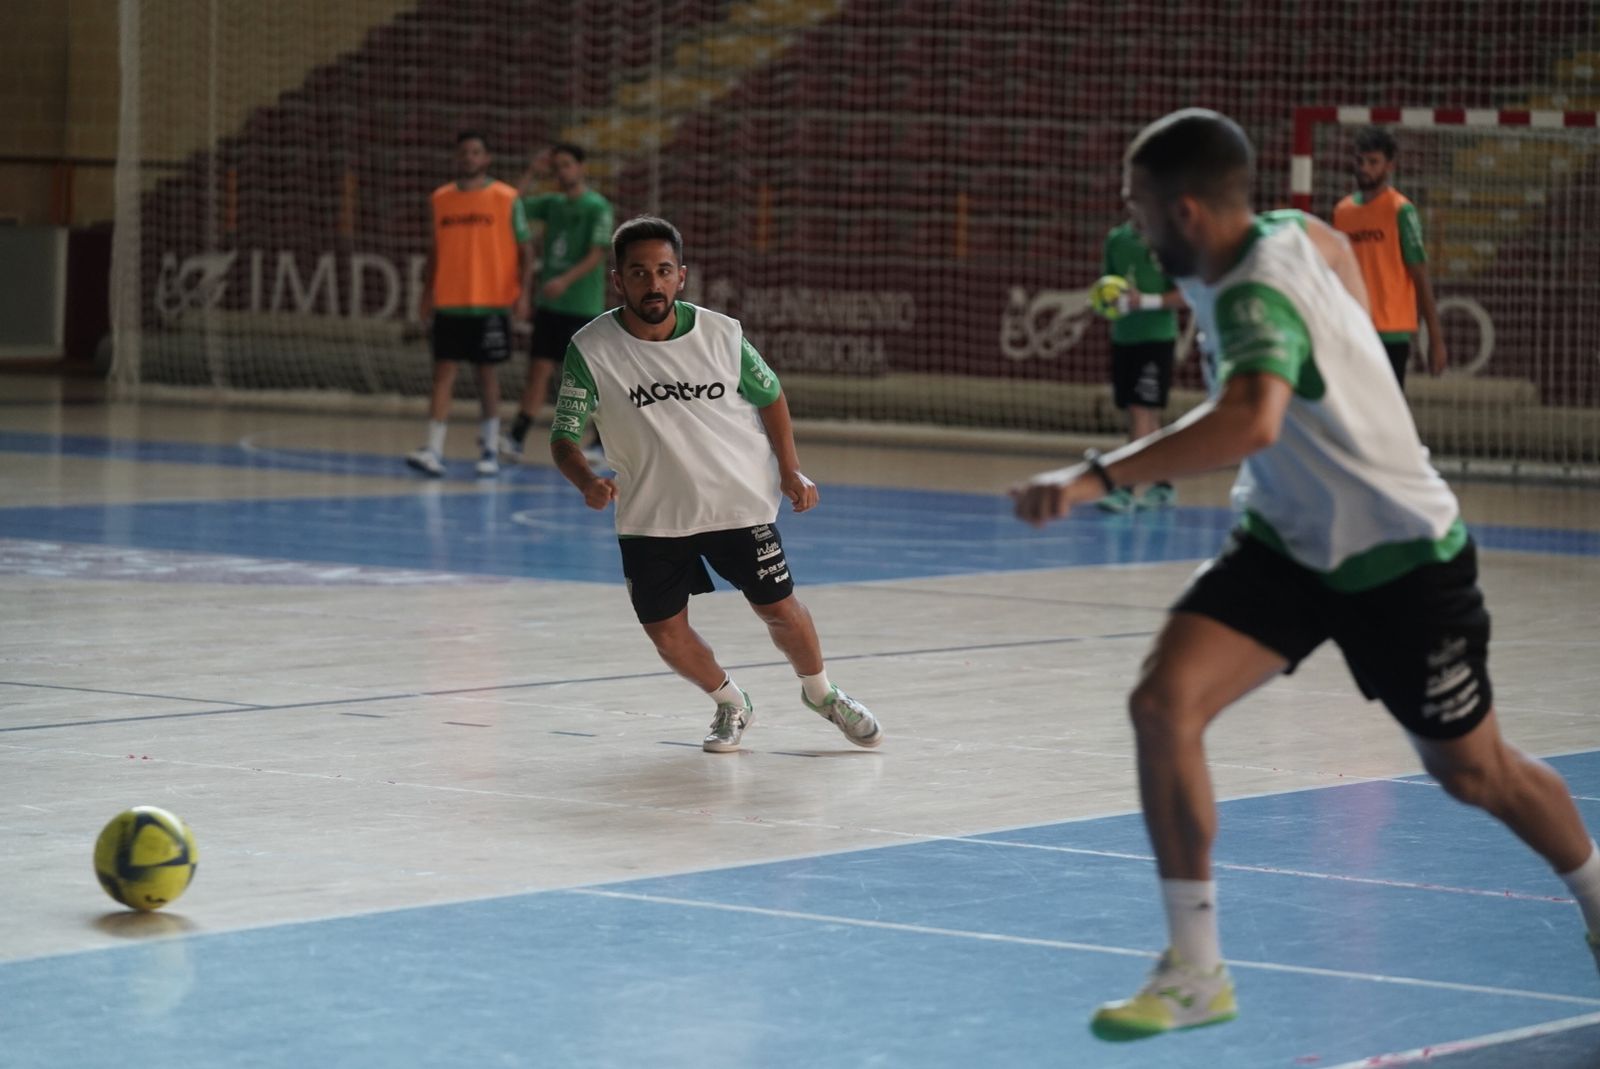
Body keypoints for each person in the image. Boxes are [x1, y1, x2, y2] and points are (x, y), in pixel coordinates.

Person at [1012, 109, 1600, 1042]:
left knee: (1474, 772)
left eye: (1141, 207)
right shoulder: (1289, 229)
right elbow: (1330, 252)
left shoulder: (1251, 295)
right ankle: (1197, 968)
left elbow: (1250, 419)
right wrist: (1353, 353)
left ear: (1189, 210)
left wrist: (1092, 477)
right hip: (1289, 539)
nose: (1133, 222)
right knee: (1164, 704)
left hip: (1400, 555)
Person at [551, 215, 882, 754]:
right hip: (651, 515)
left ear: (681, 276)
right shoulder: (590, 349)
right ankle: (730, 702)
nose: (652, 283)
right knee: (665, 633)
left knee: (779, 607)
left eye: (663, 271)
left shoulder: (723, 334)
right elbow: (563, 436)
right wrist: (586, 480)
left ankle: (822, 694)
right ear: (619, 280)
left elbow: (770, 395)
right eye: (639, 273)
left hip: (737, 504)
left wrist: (790, 467)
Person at [406, 130, 532, 478]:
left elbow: (525, 251)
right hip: (450, 301)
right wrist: (425, 295)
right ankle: (432, 448)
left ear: (486, 158)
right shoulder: (441, 199)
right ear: (455, 158)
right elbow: (434, 253)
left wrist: (523, 294)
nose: (469, 158)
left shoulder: (506, 198)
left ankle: (490, 449)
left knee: (487, 377)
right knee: (442, 375)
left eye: (476, 152)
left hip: (490, 303)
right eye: (464, 153)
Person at [501, 142, 614, 464]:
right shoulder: (552, 203)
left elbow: (597, 253)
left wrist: (563, 281)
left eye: (567, 165)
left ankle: (600, 441)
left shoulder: (598, 207)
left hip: (582, 306)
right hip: (551, 306)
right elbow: (510, 204)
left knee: (592, 377)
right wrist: (532, 173)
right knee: (537, 370)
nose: (561, 172)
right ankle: (517, 438)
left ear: (581, 168)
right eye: (557, 166)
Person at [1333, 125, 1447, 388]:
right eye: (1360, 161)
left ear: (1389, 166)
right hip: (1353, 329)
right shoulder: (1343, 212)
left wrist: (1436, 339)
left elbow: (1420, 275)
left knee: (1385, 417)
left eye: (1373, 162)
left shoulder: (1402, 211)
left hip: (1391, 332)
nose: (1365, 168)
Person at [1097, 221, 1186, 512]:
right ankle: (1163, 484)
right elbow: (1106, 285)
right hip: (1125, 336)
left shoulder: (1169, 238)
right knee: (1140, 414)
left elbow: (1184, 295)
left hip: (1157, 338)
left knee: (1141, 410)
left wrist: (1143, 302)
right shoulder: (1117, 239)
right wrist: (1108, 301)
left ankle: (1126, 487)